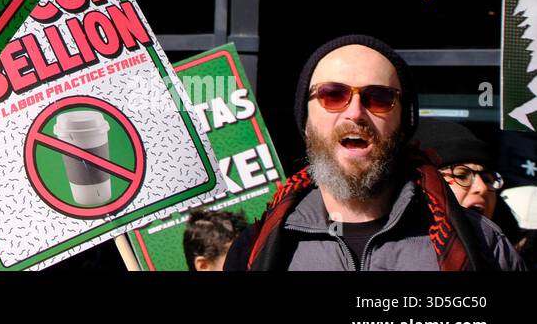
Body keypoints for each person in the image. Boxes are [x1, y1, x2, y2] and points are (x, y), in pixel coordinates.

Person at [223, 34, 524, 270]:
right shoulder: (255, 250)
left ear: (403, 124)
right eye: (333, 95)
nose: (355, 113)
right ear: (306, 122)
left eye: (378, 98)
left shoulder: (483, 244)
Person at [415, 118, 525, 246]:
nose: (482, 187)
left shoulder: (509, 256)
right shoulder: (398, 255)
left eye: (487, 179)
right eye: (461, 176)